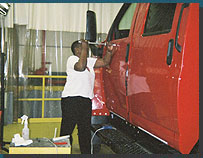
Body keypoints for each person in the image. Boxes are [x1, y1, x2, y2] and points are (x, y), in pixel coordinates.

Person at [60, 39, 115, 154]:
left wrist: (109, 52)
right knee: (67, 130)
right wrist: (85, 47)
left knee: (84, 131)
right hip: (71, 99)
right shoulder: (72, 59)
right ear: (76, 50)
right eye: (82, 48)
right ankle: (62, 152)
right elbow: (80, 67)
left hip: (85, 100)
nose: (86, 49)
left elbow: (104, 62)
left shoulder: (88, 61)